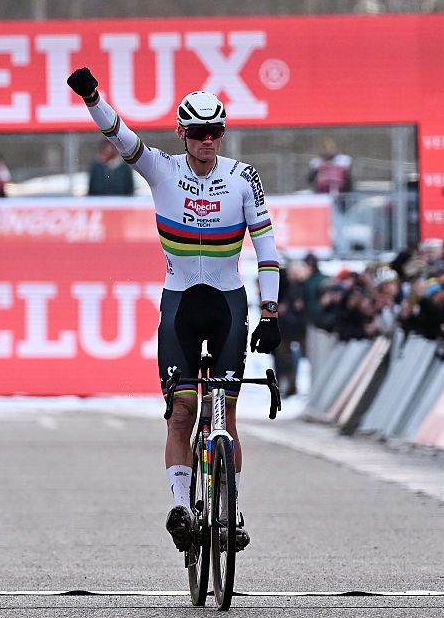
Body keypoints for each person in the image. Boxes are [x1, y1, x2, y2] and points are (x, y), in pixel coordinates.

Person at [67, 67, 282, 554]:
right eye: (200, 133)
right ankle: (184, 507)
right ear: (183, 134)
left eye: (217, 132)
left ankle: (232, 513)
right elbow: (120, 136)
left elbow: (267, 250)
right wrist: (92, 97)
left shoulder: (244, 178)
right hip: (180, 304)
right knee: (181, 412)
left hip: (228, 303)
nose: (209, 141)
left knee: (225, 414)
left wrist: (270, 312)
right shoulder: (162, 168)